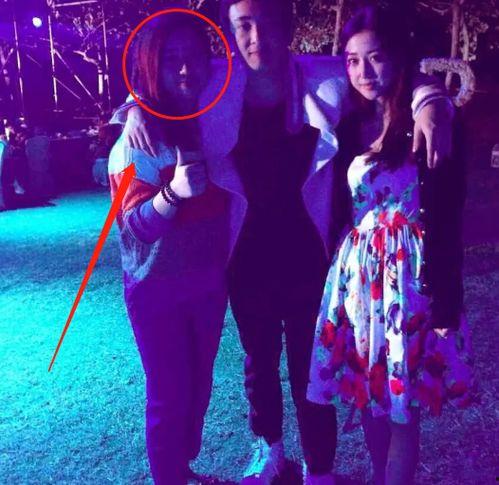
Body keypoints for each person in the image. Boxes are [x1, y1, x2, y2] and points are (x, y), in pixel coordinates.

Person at [112, 2, 455, 483]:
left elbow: (389, 66)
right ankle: (268, 450)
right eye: (243, 26)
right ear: (230, 34)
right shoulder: (218, 82)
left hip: (310, 251)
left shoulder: (321, 77)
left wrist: (430, 98)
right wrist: (131, 109)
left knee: (311, 365)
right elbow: (164, 79)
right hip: (245, 252)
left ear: (288, 26)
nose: (256, 38)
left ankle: (319, 466)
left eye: (267, 23)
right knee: (258, 362)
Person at [306, 7, 473, 485]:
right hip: (359, 284)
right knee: (371, 396)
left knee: (402, 407)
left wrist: (429, 95)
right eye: (352, 60)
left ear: (399, 56)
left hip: (410, 282)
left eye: (376, 57)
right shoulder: (347, 123)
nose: (363, 72)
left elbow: (448, 212)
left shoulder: (430, 120)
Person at [107, 14, 231, 485]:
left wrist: (426, 92)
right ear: (151, 67)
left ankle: (179, 467)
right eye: (170, 60)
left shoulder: (215, 115)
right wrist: (174, 193)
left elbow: (284, 65)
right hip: (156, 290)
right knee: (169, 393)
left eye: (193, 57)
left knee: (198, 387)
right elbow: (137, 228)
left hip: (208, 283)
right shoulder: (135, 141)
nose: (184, 69)